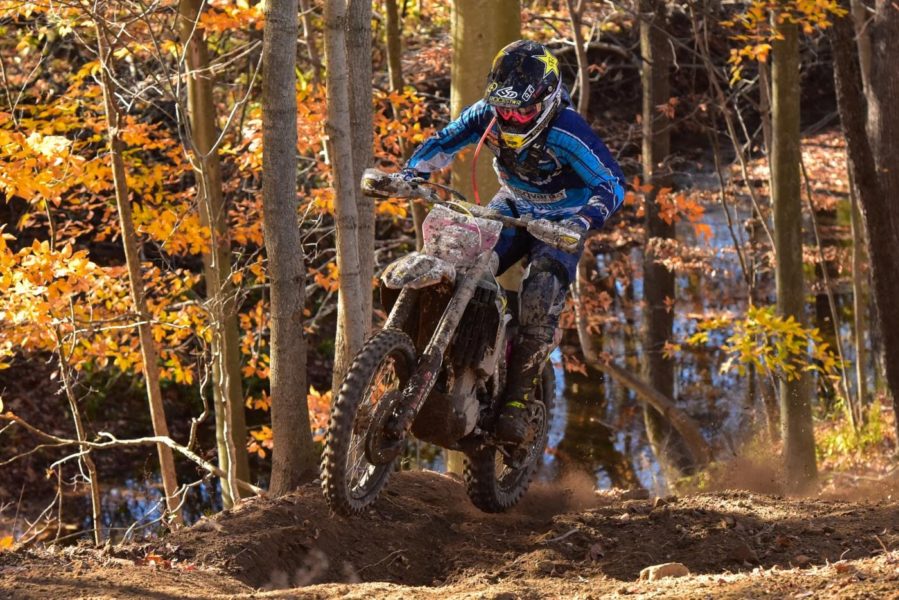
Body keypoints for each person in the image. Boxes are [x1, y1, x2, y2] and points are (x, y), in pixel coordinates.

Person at [402, 39, 626, 444]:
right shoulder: (486, 115)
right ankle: (451, 356)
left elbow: (611, 182)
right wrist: (410, 173)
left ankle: (518, 402)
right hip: (512, 207)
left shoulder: (567, 130)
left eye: (521, 111)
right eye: (505, 110)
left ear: (547, 100)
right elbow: (444, 141)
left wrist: (584, 219)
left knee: (540, 297)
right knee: (461, 261)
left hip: (562, 222)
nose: (511, 118)